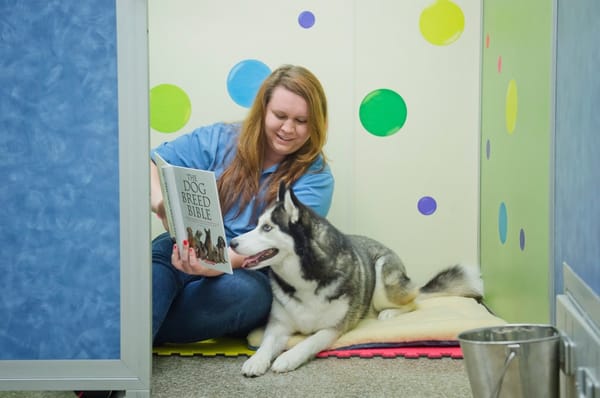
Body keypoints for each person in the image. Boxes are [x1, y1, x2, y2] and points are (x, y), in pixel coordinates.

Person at [150, 64, 334, 345]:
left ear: (316, 123)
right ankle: (122, 349)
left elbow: (283, 244)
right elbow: (150, 162)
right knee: (153, 271)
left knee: (246, 296)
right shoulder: (220, 138)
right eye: (280, 116)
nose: (288, 128)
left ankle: (130, 333)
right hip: (185, 243)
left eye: (301, 120)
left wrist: (217, 263)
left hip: (250, 269)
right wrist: (160, 202)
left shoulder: (317, 177)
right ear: (263, 111)